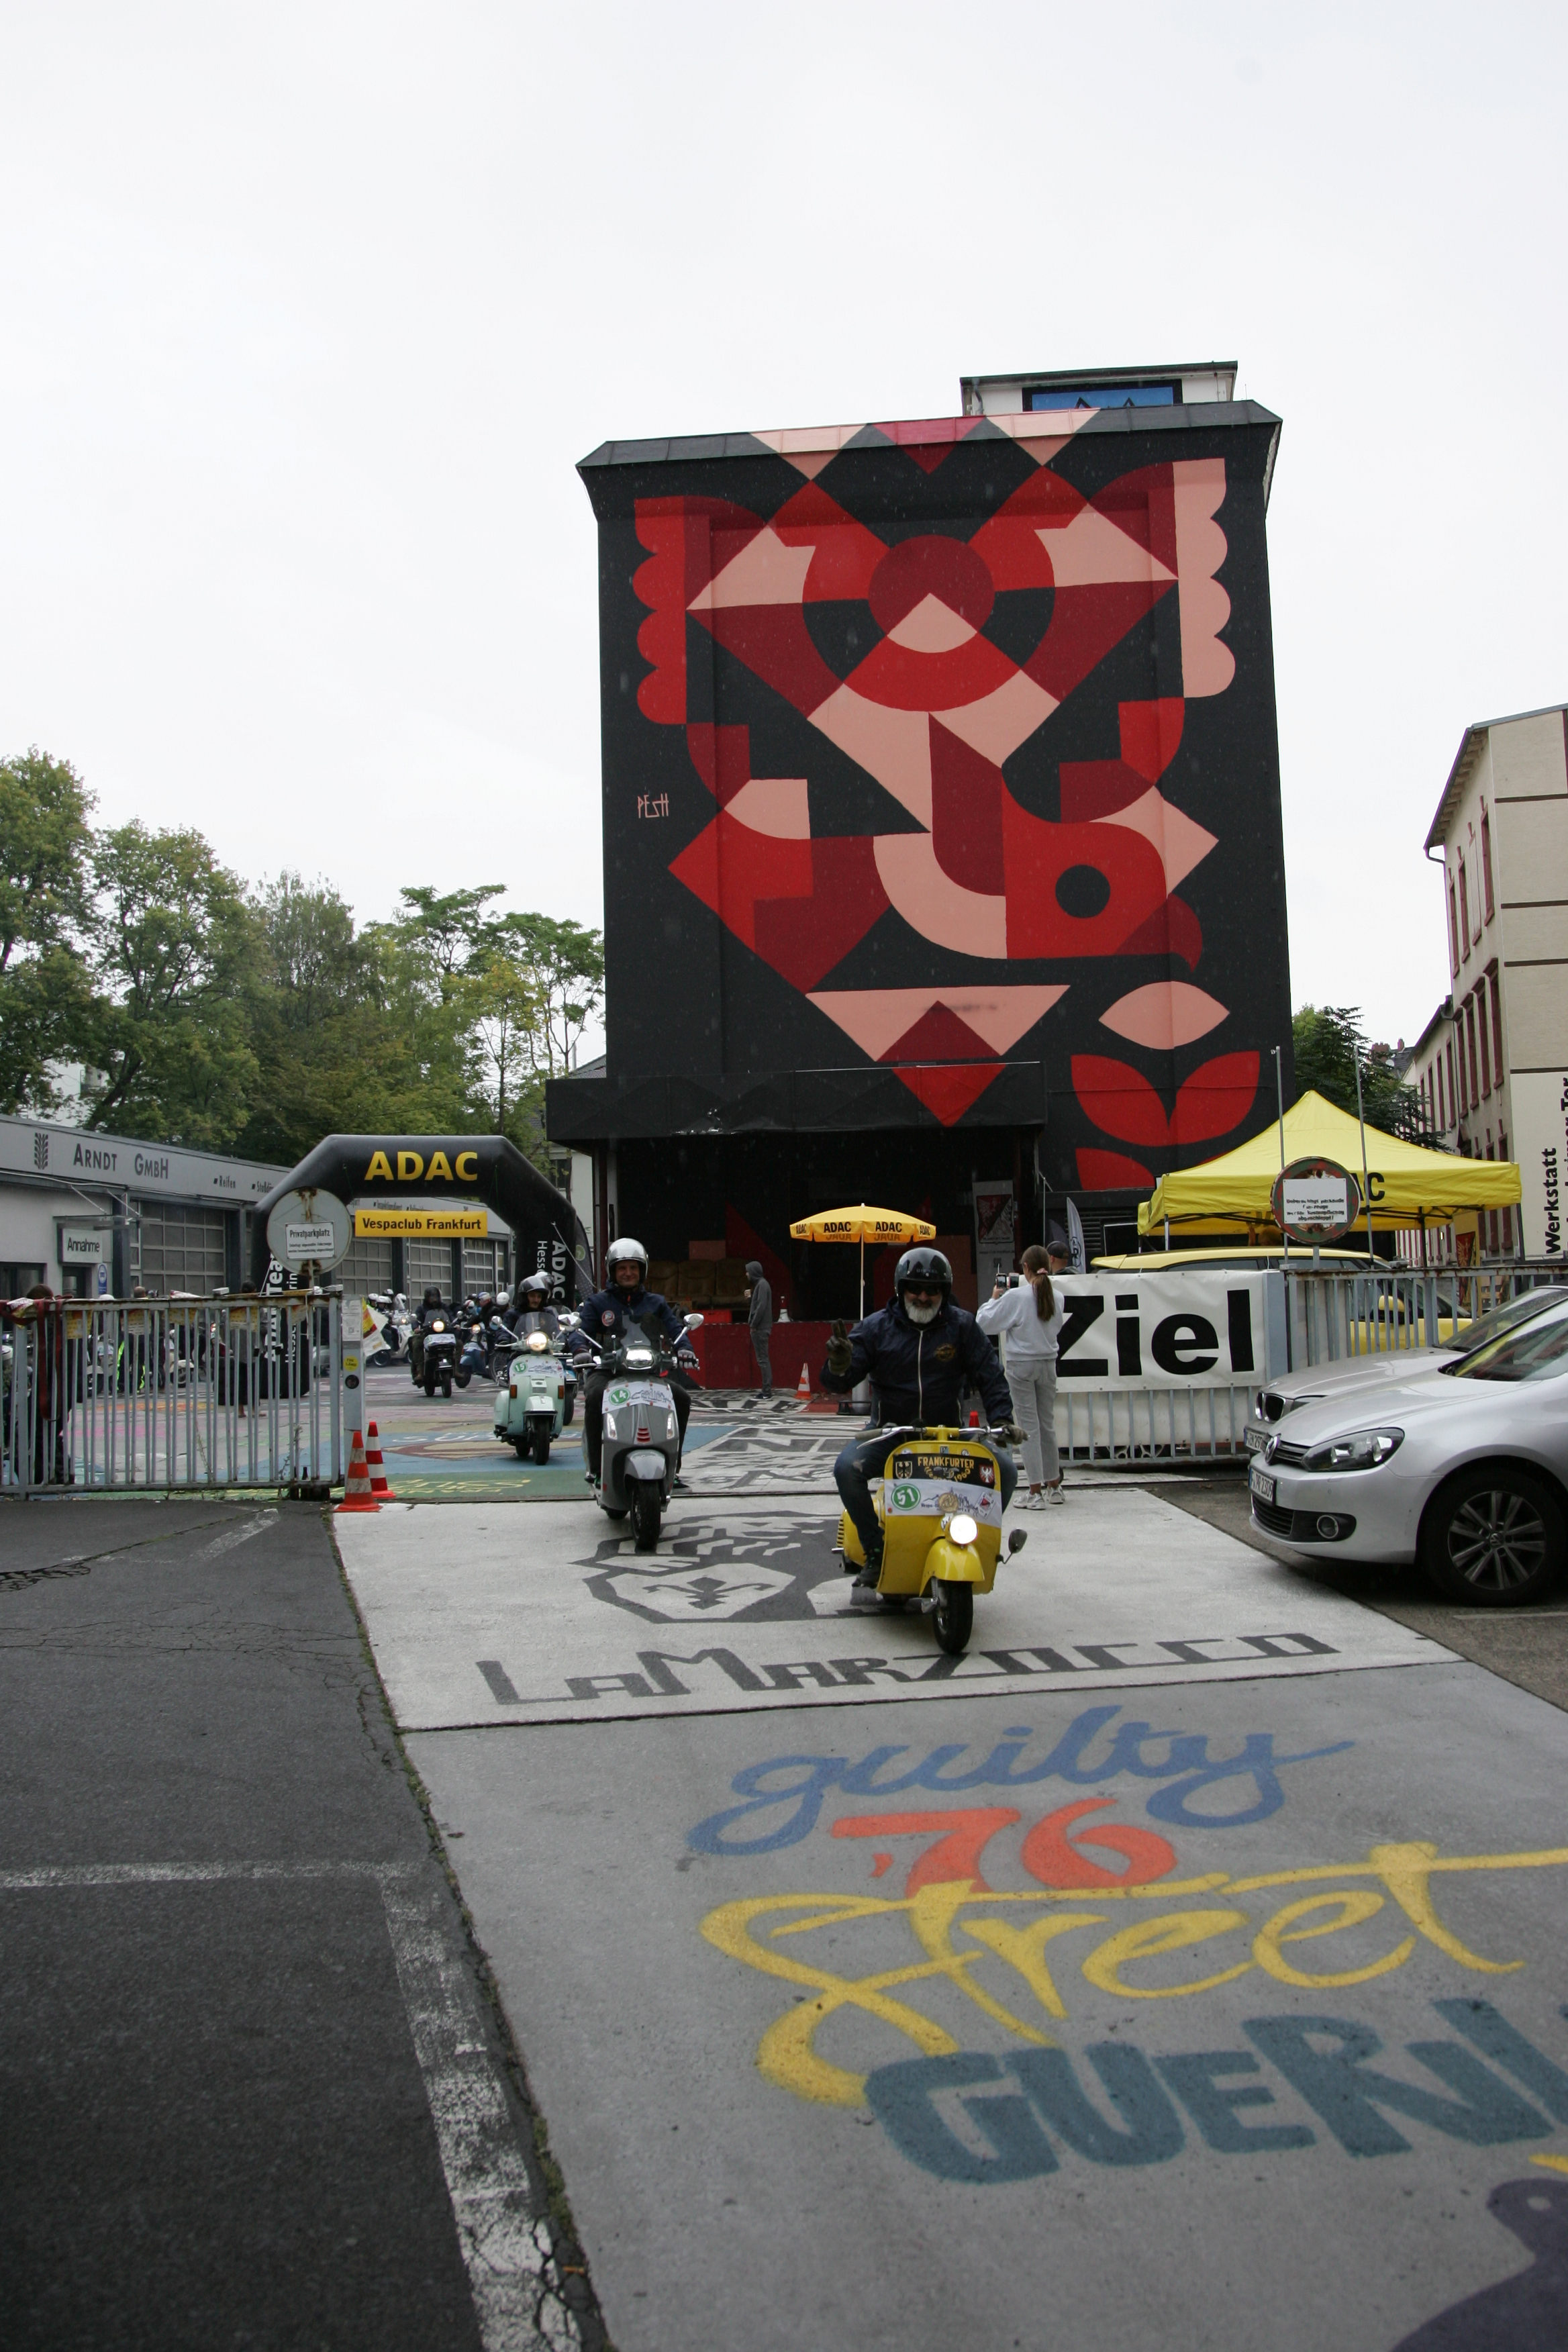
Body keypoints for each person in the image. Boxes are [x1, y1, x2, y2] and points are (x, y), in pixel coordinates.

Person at [822, 1246, 1020, 1608]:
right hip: (890, 1434)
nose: (923, 1297)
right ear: (901, 1289)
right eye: (915, 1288)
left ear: (944, 1292)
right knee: (846, 1468)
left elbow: (991, 1375)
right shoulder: (876, 1327)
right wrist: (838, 1365)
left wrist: (1003, 1421)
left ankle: (973, 1536)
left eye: (933, 1290)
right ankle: (876, 1550)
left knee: (1005, 1470)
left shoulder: (963, 1326)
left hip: (950, 1437)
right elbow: (840, 1380)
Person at [578, 1237, 697, 1485]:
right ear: (612, 1271)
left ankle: (672, 1469)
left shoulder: (656, 1303)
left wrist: (685, 1348)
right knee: (595, 1396)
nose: (628, 1273)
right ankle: (597, 1468)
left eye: (633, 1267)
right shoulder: (598, 1303)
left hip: (648, 1371)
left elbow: (675, 1330)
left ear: (642, 1270)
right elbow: (581, 1332)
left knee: (681, 1398)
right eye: (622, 1268)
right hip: (608, 1371)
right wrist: (580, 1349)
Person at [978, 1242, 1067, 1508]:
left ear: (1025, 1268)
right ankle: (1054, 1486)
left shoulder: (1016, 1297)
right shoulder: (1058, 1297)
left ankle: (1035, 1491)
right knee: (1047, 1426)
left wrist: (995, 1298)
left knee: (1028, 1428)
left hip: (1021, 1365)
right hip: (1048, 1363)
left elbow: (983, 1322)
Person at [408, 1283, 448, 1387]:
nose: (434, 1299)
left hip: (443, 1334)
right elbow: (416, 1319)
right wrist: (416, 1327)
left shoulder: (444, 1307)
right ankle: (420, 1372)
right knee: (417, 1343)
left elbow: (451, 1316)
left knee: (459, 1343)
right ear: (427, 1298)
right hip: (427, 1334)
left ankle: (457, 1369)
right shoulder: (421, 1308)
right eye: (432, 1297)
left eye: (436, 1296)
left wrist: (455, 1323)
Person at [746, 1260, 773, 1399]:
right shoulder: (761, 1285)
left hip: (760, 1329)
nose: (747, 1274)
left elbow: (761, 1307)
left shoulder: (762, 1285)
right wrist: (751, 1297)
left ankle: (767, 1391)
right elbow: (759, 1304)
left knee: (763, 1360)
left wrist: (754, 1324)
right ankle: (766, 1390)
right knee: (763, 1360)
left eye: (748, 1271)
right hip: (761, 1327)